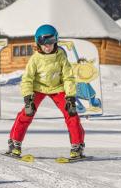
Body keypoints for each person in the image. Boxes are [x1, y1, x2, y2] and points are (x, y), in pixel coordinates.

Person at [6, 24, 85, 158]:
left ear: (56, 41)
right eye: (44, 43)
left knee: (71, 113)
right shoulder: (35, 59)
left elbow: (68, 77)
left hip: (57, 88)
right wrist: (28, 98)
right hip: (38, 88)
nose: (48, 46)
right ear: (38, 43)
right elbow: (27, 79)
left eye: (51, 42)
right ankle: (15, 142)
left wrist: (70, 97)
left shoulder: (61, 57)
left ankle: (77, 146)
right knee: (27, 112)